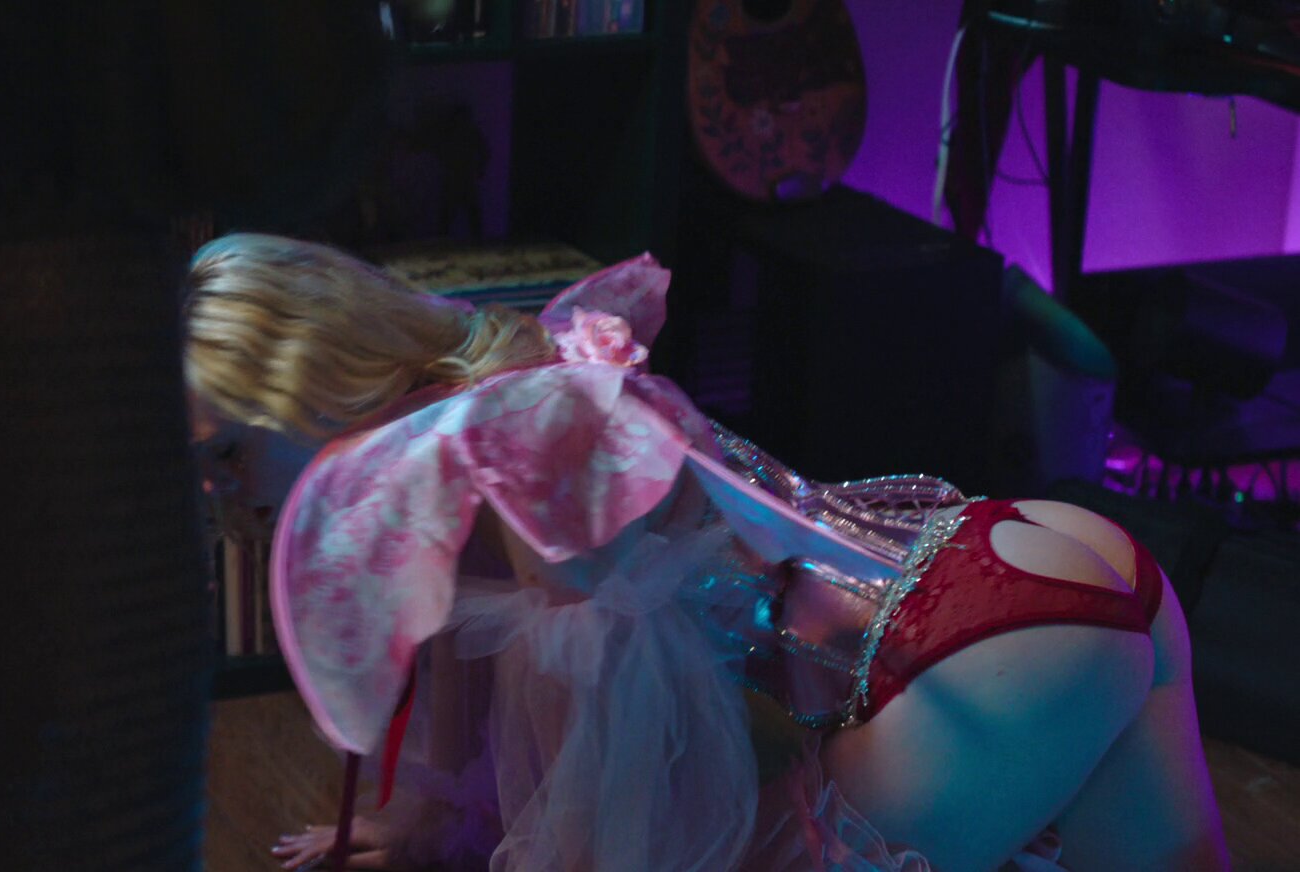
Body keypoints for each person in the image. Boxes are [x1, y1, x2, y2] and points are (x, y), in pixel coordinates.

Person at [184, 233, 1230, 871]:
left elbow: (613, 755)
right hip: (1036, 556)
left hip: (963, 660)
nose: (214, 491)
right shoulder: (473, 408)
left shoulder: (501, 451)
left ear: (316, 388)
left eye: (226, 452)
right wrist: (430, 817)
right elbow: (473, 670)